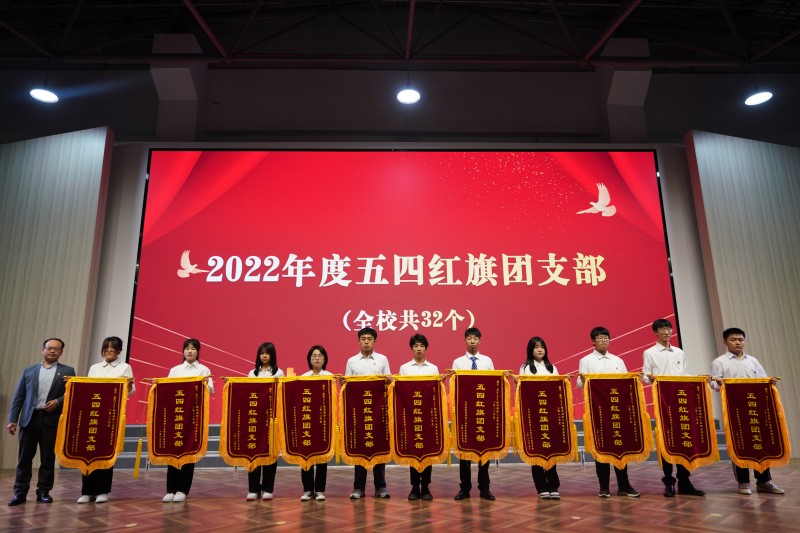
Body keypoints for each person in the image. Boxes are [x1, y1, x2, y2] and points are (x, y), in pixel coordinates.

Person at [710, 327, 785, 496]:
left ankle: (764, 481)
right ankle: (743, 482)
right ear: (725, 342)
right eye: (733, 340)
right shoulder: (719, 362)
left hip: (756, 408)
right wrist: (719, 383)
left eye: (740, 339)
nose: (738, 342)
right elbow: (714, 384)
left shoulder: (753, 361)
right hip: (735, 409)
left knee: (761, 442)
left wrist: (770, 381)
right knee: (739, 443)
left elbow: (763, 380)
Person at [7, 338, 76, 506]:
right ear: (43, 350)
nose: (52, 351)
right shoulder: (29, 370)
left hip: (51, 421)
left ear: (61, 352)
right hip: (29, 420)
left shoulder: (68, 371)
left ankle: (44, 491)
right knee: (24, 459)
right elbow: (19, 397)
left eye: (56, 349)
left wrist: (58, 402)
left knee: (47, 458)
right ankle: (20, 493)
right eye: (49, 348)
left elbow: (73, 393)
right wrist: (13, 420)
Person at [641, 319, 705, 498]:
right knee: (666, 439)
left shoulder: (679, 352)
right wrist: (650, 378)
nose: (666, 331)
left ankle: (685, 480)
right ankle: (669, 481)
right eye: (662, 329)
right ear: (656, 332)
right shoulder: (650, 353)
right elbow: (645, 376)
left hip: (680, 400)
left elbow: (683, 374)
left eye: (669, 328)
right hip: (663, 401)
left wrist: (698, 379)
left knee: (683, 437)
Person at [577, 326, 640, 499]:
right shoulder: (586, 360)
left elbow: (626, 382)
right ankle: (604, 487)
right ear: (593, 341)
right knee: (601, 448)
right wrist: (583, 379)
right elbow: (580, 384)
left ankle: (624, 485)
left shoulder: (618, 360)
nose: (604, 340)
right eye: (600, 338)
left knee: (620, 446)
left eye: (606, 337)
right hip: (598, 412)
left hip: (617, 410)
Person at [78, 336, 136, 504]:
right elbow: (88, 388)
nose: (109, 350)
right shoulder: (94, 368)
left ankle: (103, 491)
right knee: (89, 451)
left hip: (111, 415)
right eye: (107, 347)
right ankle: (87, 491)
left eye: (113, 348)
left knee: (106, 452)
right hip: (93, 414)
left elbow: (130, 391)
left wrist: (129, 386)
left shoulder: (125, 367)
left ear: (119, 351)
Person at [162, 338, 214, 503]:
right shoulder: (175, 370)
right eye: (187, 348)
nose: (189, 351)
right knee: (173, 450)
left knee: (189, 451)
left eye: (193, 349)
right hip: (176, 415)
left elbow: (210, 391)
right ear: (183, 351)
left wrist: (205, 384)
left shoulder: (204, 370)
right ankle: (170, 489)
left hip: (193, 417)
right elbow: (166, 389)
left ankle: (183, 489)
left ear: (198, 351)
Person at [344, 326, 391, 499]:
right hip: (359, 412)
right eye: (363, 339)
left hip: (378, 412)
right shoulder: (351, 361)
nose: (366, 342)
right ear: (358, 341)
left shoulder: (382, 359)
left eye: (369, 339)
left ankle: (381, 487)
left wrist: (389, 380)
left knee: (379, 447)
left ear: (375, 341)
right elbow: (346, 386)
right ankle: (358, 488)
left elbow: (388, 383)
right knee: (360, 449)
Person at [451, 327, 496, 501]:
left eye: (475, 338)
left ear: (480, 341)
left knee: (484, 450)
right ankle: (465, 488)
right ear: (464, 340)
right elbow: (454, 387)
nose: (472, 341)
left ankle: (485, 488)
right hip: (465, 413)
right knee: (464, 452)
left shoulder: (487, 361)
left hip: (482, 411)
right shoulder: (458, 362)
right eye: (469, 338)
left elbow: (493, 384)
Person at [519, 336, 561, 500]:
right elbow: (522, 391)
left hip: (549, 414)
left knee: (550, 448)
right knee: (536, 450)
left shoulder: (552, 368)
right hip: (533, 415)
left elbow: (558, 389)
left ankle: (553, 485)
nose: (539, 349)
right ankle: (541, 486)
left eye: (542, 346)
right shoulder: (525, 368)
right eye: (536, 347)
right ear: (530, 350)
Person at [399, 333, 439, 501]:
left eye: (422, 346)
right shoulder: (404, 368)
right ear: (411, 348)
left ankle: (426, 487)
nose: (419, 349)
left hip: (428, 416)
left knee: (427, 451)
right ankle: (415, 487)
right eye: (416, 346)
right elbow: (401, 391)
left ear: (426, 348)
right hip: (411, 415)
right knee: (413, 450)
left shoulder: (433, 368)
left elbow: (436, 392)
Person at [245, 342, 284, 501]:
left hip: (271, 418)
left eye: (267, 353)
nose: (264, 356)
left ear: (272, 355)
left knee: (270, 452)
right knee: (253, 452)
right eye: (262, 353)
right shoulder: (252, 373)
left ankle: (268, 488)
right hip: (255, 418)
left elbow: (281, 394)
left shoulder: (279, 373)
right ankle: (253, 489)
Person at [299, 345, 333, 502]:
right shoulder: (303, 377)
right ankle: (307, 490)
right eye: (314, 356)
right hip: (307, 420)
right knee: (306, 456)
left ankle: (319, 490)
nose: (317, 358)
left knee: (321, 456)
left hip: (323, 421)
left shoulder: (330, 377)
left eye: (320, 356)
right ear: (309, 359)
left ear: (325, 359)